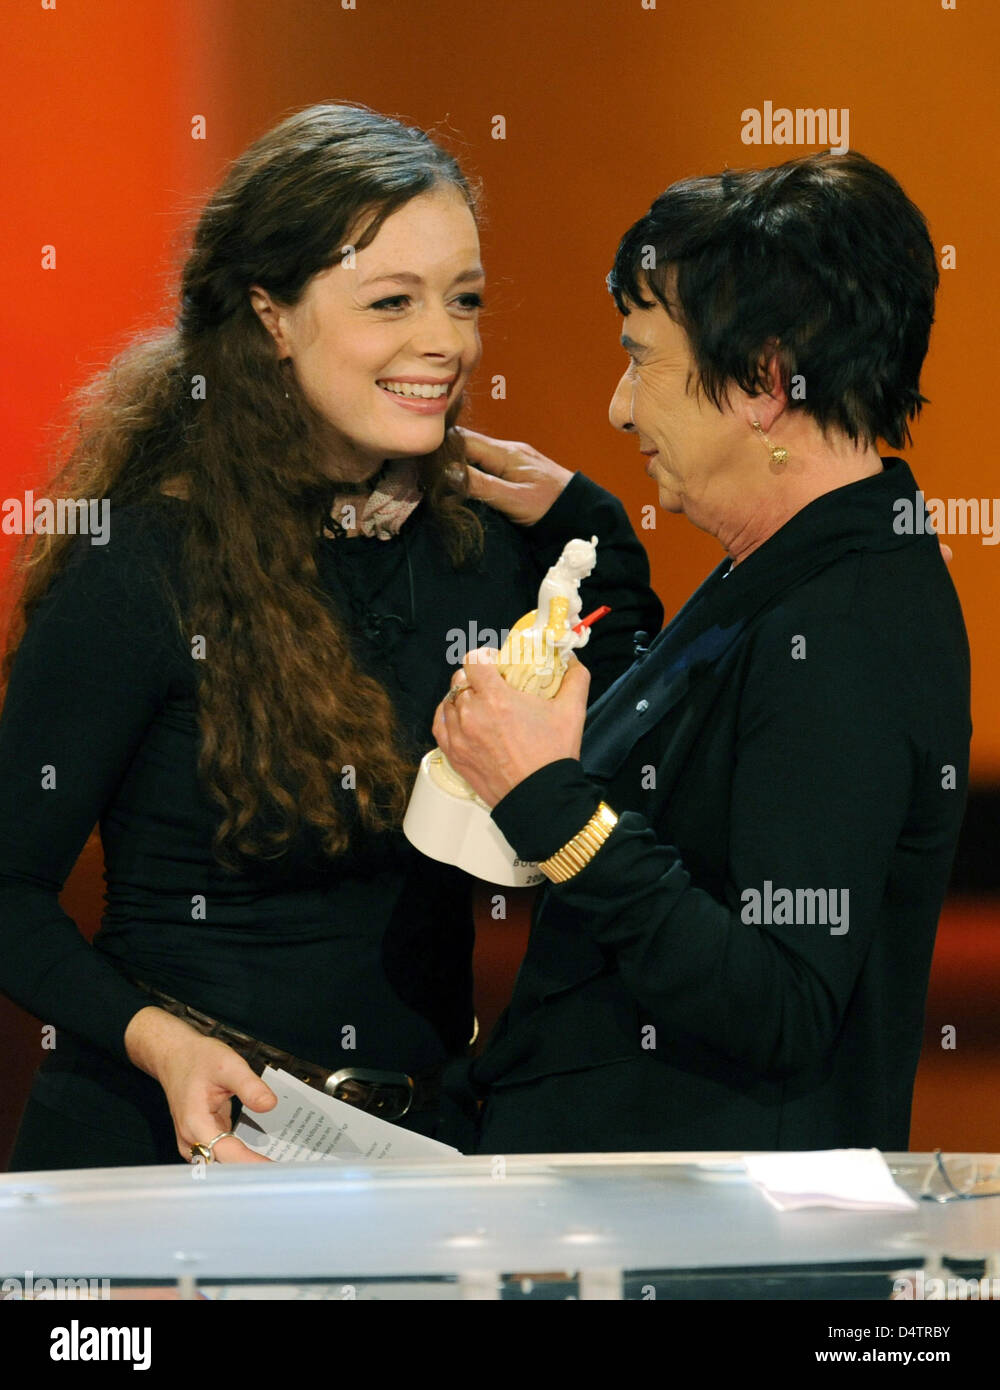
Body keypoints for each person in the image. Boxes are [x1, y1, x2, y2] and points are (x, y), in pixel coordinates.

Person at [0, 101, 661, 1170]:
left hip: (420, 1162)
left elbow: (633, 695)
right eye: (390, 301)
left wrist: (589, 519)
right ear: (271, 316)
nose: (444, 341)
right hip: (174, 1152)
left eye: (463, 299)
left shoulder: (481, 549)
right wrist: (158, 1042)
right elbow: (8, 888)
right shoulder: (144, 562)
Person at [433, 150, 971, 1154]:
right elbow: (676, 766)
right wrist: (585, 529)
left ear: (765, 383)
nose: (620, 407)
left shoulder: (844, 628)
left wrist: (548, 803)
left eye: (640, 359)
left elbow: (780, 1000)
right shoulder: (792, 570)